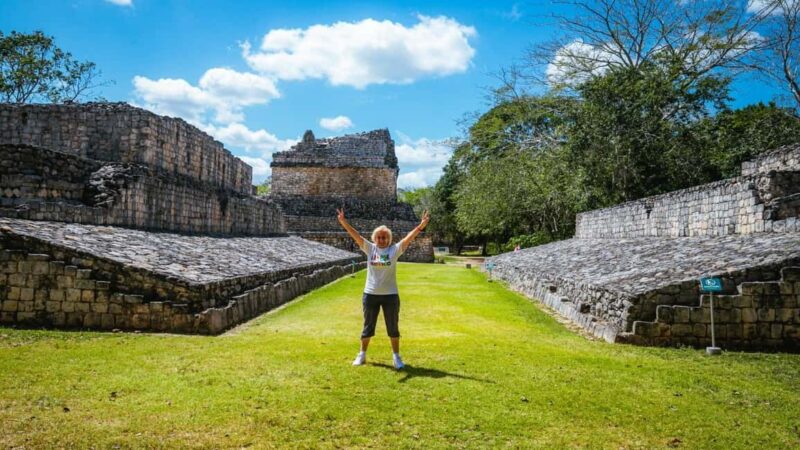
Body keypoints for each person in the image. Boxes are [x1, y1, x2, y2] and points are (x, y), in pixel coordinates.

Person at [336, 207, 430, 369]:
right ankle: (362, 354)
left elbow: (409, 238)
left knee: (393, 327)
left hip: (390, 295)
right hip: (370, 294)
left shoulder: (394, 250)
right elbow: (355, 235)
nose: (381, 240)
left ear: (389, 239)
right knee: (368, 326)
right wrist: (344, 222)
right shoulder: (369, 248)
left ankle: (396, 357)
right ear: (374, 238)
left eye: (385, 237)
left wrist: (421, 226)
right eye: (379, 237)